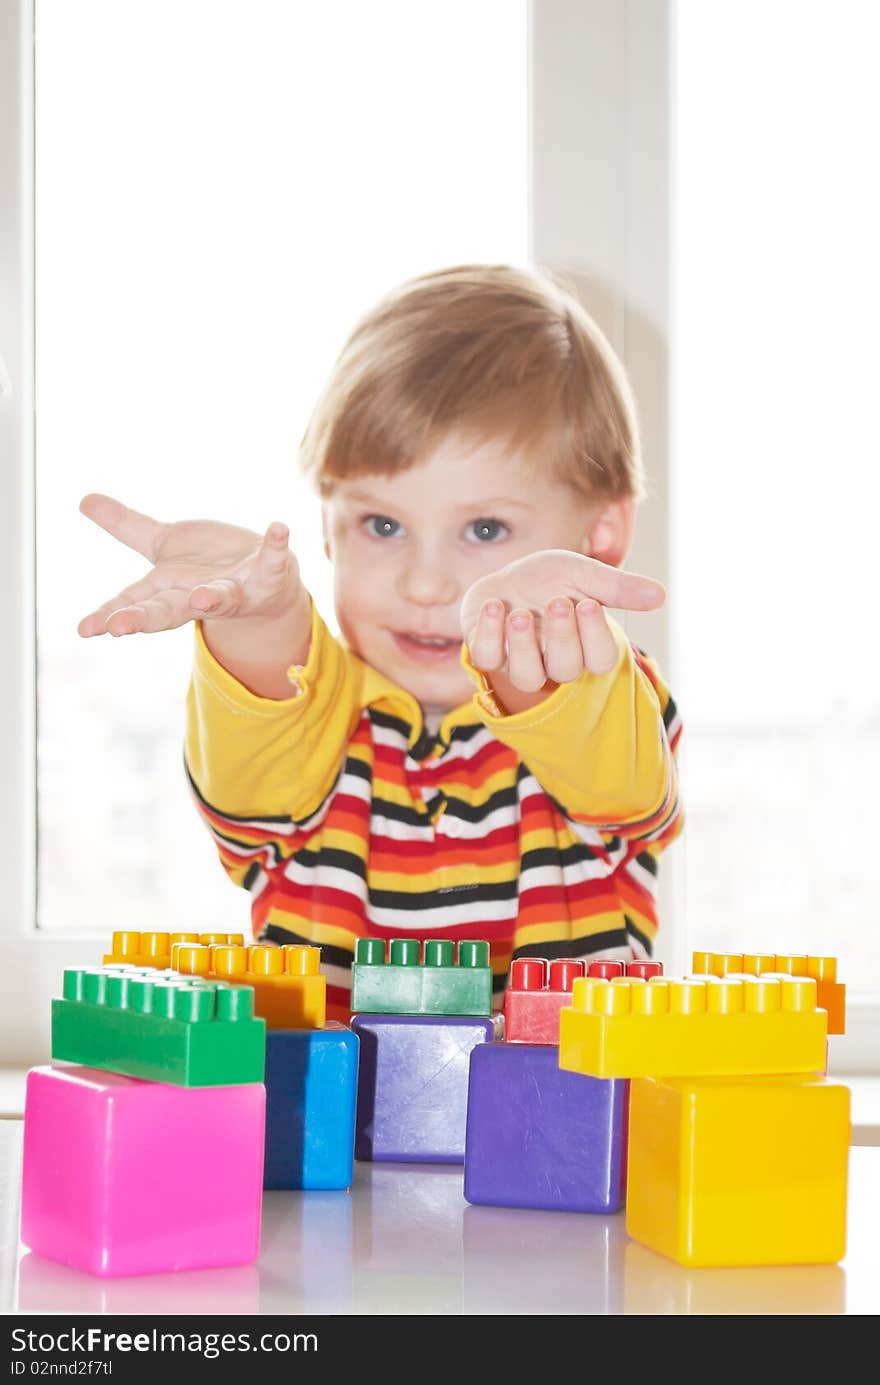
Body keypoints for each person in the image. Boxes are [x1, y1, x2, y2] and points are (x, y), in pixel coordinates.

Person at [78, 263, 683, 1021]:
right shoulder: (315, 725)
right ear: (328, 524)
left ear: (602, 533)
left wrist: (527, 645)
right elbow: (262, 739)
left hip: (557, 1133)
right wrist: (255, 614)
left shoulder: (601, 702)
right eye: (383, 525)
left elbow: (606, 768)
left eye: (486, 529)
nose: (427, 584)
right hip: (322, 1136)